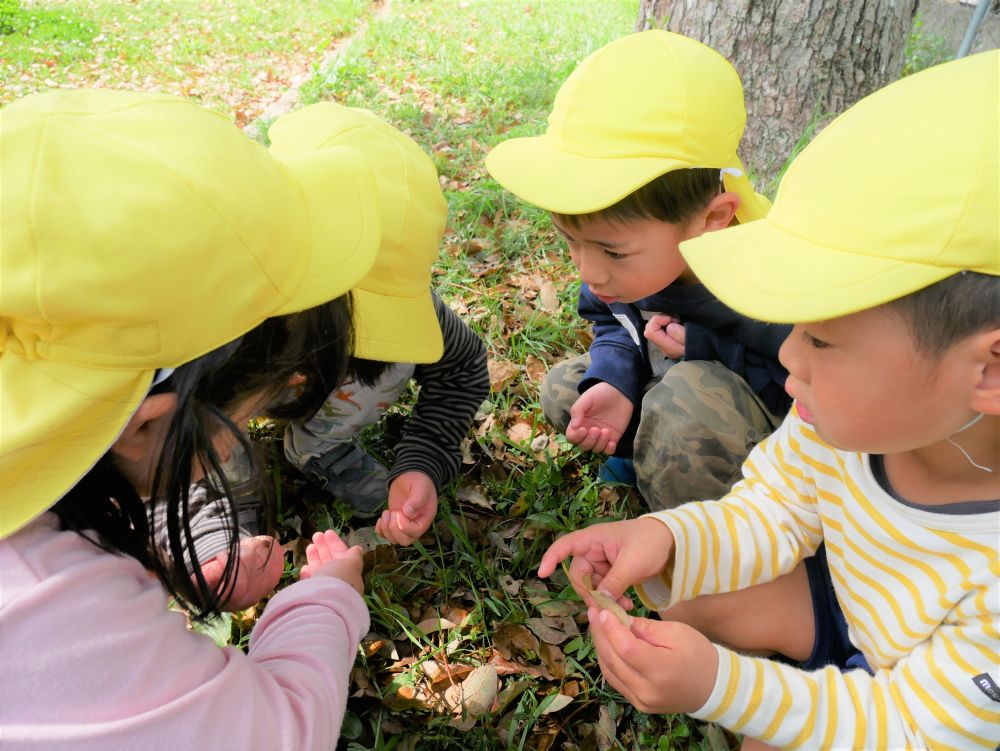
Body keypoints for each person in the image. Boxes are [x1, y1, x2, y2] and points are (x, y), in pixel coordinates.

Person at [539, 50, 999, 750]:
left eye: (821, 339)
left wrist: (724, 686)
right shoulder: (833, 425)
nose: (787, 353)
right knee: (679, 601)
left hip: (917, 706)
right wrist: (665, 538)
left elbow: (909, 727)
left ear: (990, 368)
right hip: (839, 605)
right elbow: (771, 510)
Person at [0, 89, 388, 748]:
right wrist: (325, 597)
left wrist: (161, 562)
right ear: (143, 422)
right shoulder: (44, 601)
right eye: (249, 414)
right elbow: (280, 733)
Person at [175, 103, 491, 610]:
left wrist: (423, 462)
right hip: (225, 391)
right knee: (209, 409)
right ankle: (229, 489)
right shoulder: (208, 309)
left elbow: (462, 371)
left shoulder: (414, 313)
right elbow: (148, 438)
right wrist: (208, 535)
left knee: (384, 364)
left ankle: (322, 447)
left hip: (312, 398)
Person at [485, 30, 791, 511]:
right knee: (567, 388)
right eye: (570, 242)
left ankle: (696, 523)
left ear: (712, 218)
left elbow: (805, 384)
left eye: (613, 252)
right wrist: (616, 379)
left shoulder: (770, 282)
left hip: (766, 438)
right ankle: (654, 449)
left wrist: (709, 347)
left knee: (684, 404)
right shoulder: (619, 269)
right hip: (675, 393)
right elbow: (613, 323)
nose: (590, 273)